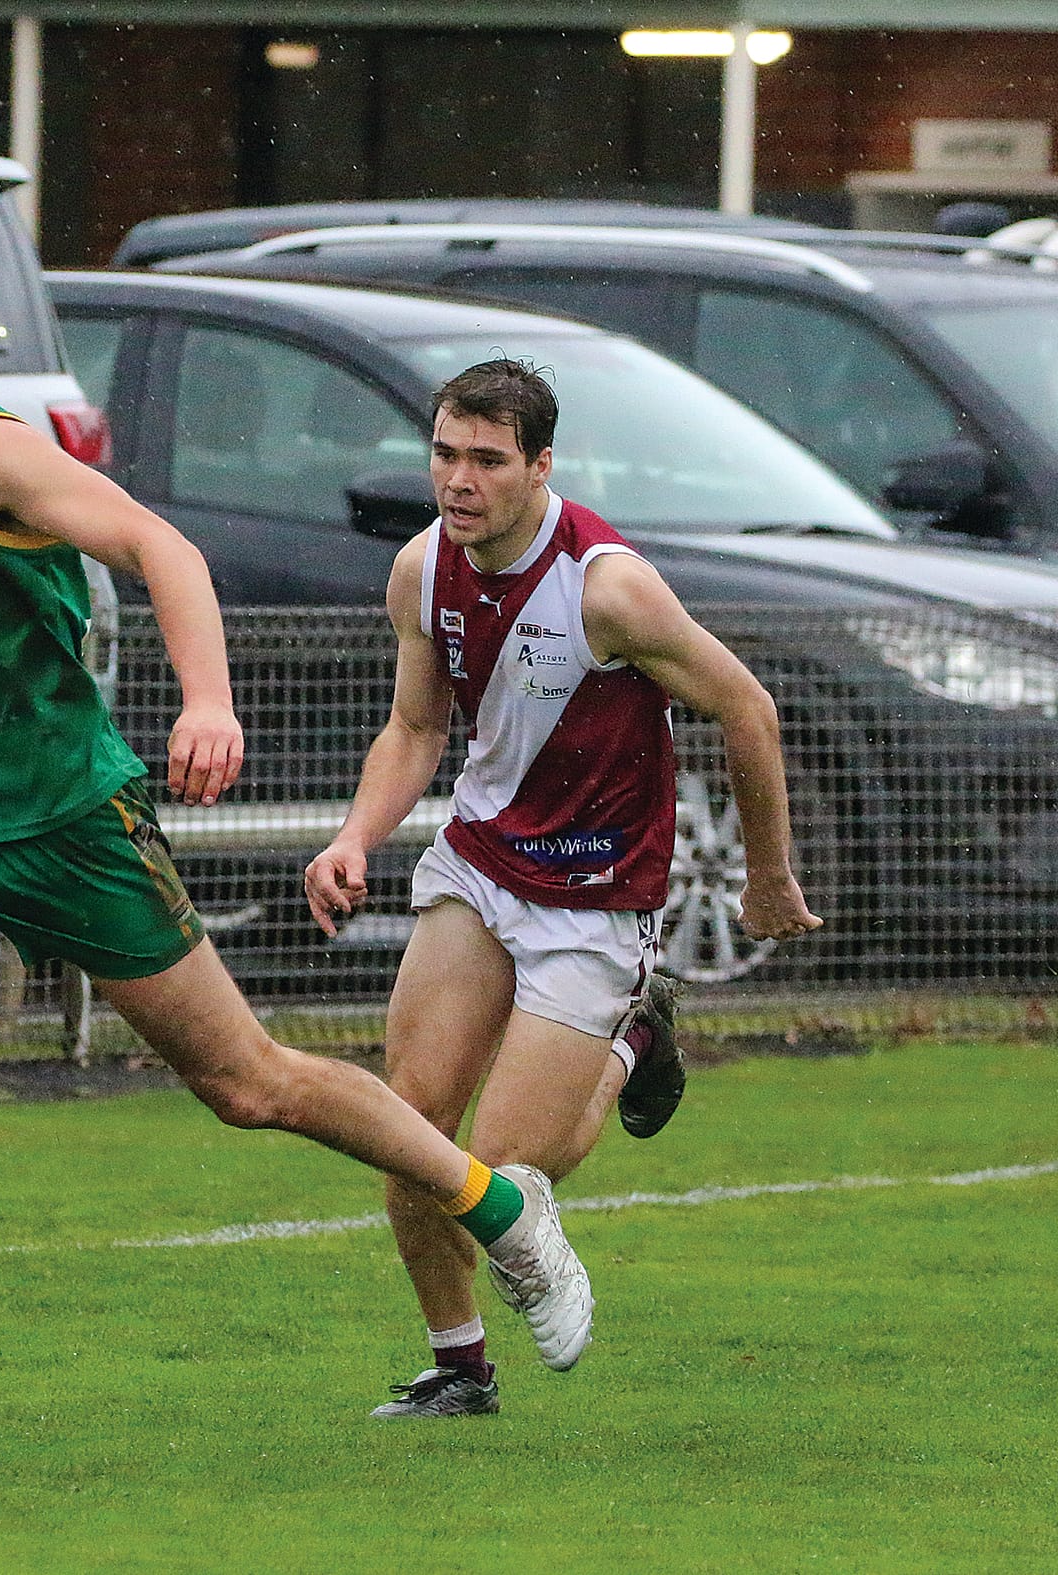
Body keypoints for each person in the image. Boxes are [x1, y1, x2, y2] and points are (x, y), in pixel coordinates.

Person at [0, 232, 598, 1435]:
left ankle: (497, 1211)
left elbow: (161, 547)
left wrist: (205, 700)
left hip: (69, 826)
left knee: (250, 1086)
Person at [305, 358, 822, 1419]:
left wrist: (765, 877)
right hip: (480, 860)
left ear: (540, 466)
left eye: (486, 460)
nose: (458, 480)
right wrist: (354, 835)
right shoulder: (419, 568)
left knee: (498, 1173)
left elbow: (747, 709)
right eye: (444, 454)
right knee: (409, 1133)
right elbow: (416, 727)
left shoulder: (608, 588)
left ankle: (631, 1037)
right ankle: (459, 1367)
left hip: (593, 895)